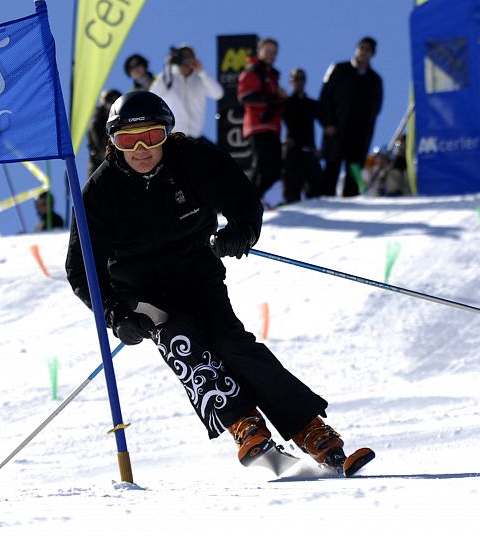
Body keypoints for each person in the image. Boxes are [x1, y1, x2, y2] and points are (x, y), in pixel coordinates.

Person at [65, 90, 372, 475]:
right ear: (113, 143)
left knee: (231, 342)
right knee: (180, 337)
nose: (141, 148)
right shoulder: (101, 191)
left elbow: (243, 201)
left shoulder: (195, 160)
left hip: (197, 275)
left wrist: (241, 231)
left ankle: (312, 431)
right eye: (128, 140)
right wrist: (115, 314)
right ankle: (244, 425)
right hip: (138, 290)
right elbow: (81, 269)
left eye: (152, 136)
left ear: (168, 135)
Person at [319, 36, 383, 198]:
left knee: (354, 168)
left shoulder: (374, 80)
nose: (363, 51)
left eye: (368, 49)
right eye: (361, 47)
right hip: (336, 130)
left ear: (372, 53)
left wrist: (367, 130)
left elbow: (375, 108)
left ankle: (351, 201)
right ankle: (325, 202)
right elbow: (325, 98)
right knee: (332, 168)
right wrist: (328, 123)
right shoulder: (339, 70)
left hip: (359, 134)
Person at [237, 37, 286, 200]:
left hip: (272, 127)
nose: (270, 55)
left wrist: (280, 99)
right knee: (262, 166)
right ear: (259, 51)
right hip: (257, 126)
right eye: (267, 50)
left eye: (273, 52)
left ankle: (252, 199)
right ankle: (246, 201)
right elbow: (245, 96)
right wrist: (272, 99)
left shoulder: (272, 76)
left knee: (276, 168)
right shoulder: (252, 72)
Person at [149, 44, 224, 143]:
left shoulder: (200, 79)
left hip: (196, 139)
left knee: (218, 156)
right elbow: (152, 96)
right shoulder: (167, 78)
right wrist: (167, 67)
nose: (185, 59)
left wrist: (201, 72)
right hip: (173, 138)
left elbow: (218, 94)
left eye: (189, 56)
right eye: (182, 56)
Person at [281, 68, 322, 203]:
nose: (298, 81)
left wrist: (324, 150)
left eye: (301, 78)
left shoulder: (312, 104)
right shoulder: (285, 103)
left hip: (310, 151)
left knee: (317, 192)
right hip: (292, 152)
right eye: (295, 78)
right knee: (292, 193)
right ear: (290, 81)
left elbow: (328, 123)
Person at [87, 89, 122, 177]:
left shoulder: (124, 120)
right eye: (110, 102)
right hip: (99, 168)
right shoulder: (97, 123)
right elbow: (102, 148)